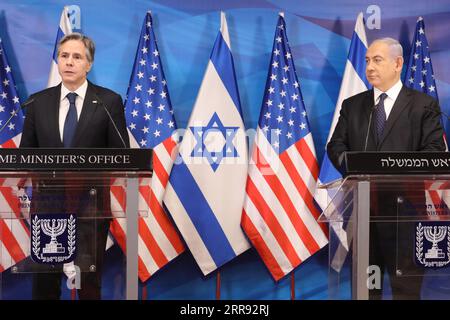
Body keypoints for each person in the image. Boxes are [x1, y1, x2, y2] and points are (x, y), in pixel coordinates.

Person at [327, 37, 446, 299]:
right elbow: (335, 146)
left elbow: (434, 152)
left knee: (406, 294)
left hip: (406, 217)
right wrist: (357, 168)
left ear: (398, 63)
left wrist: (392, 171)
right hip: (363, 215)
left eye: (377, 60)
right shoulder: (353, 106)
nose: (370, 66)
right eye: (367, 60)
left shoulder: (422, 106)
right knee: (368, 292)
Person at [20, 33, 129, 299]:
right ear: (57, 60)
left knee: (87, 283)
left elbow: (121, 154)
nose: (69, 62)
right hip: (48, 206)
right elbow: (25, 156)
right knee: (44, 285)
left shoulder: (108, 101)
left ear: (89, 64)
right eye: (64, 56)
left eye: (77, 57)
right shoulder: (37, 102)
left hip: (90, 207)